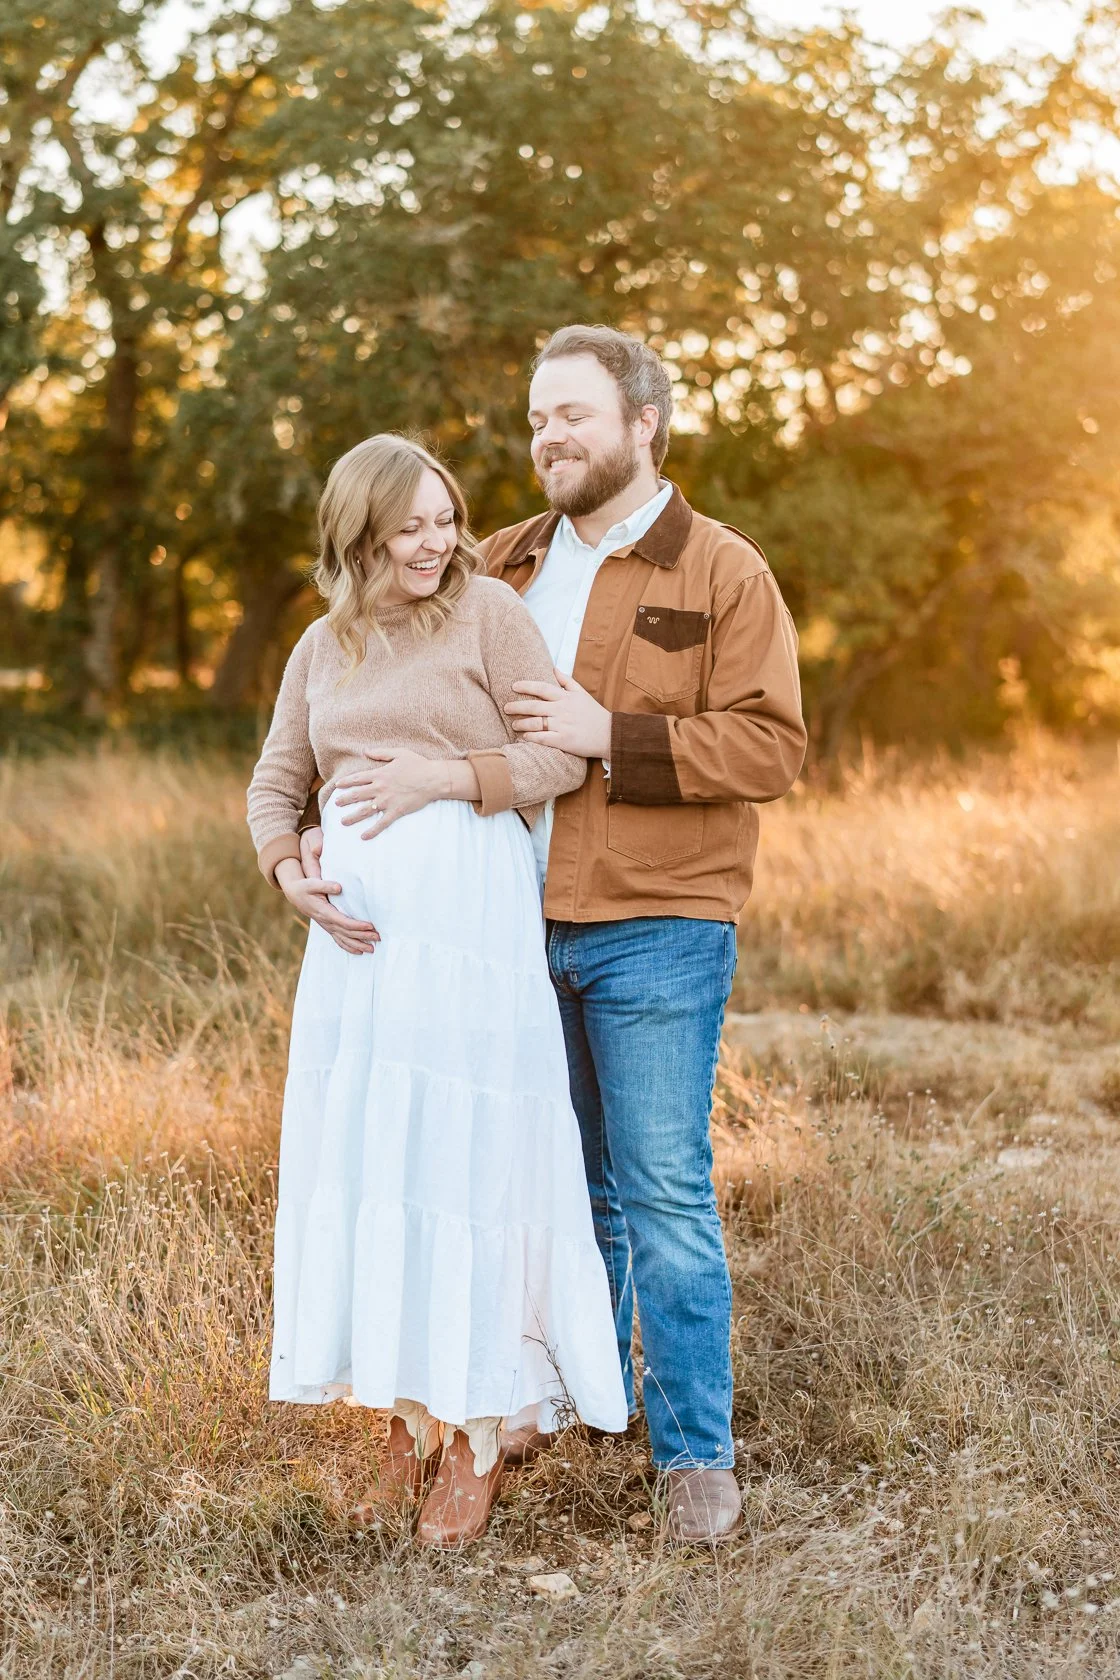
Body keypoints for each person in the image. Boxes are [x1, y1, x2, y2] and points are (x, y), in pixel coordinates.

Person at [293, 325, 807, 1544]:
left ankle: (694, 1458)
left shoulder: (721, 570)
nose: (547, 438)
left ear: (643, 425)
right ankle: (551, 1404)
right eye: (535, 419)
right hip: (505, 933)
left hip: (654, 925)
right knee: (542, 1187)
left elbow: (774, 747)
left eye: (571, 414)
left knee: (663, 1189)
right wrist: (319, 829)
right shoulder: (496, 565)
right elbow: (378, 701)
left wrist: (606, 731)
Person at [246, 433, 628, 1549]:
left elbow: (561, 755)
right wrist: (289, 872)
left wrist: (441, 780)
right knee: (378, 1154)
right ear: (359, 532)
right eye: (406, 525)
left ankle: (477, 1426)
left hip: (467, 918)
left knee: (465, 1157)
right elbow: (278, 779)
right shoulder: (323, 646)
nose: (432, 542)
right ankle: (407, 1414)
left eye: (443, 518)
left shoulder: (490, 616)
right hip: (359, 946)